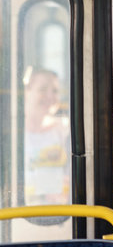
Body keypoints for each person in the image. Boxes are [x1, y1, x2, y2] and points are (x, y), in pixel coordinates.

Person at [24, 68, 71, 206]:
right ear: (27, 92)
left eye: (55, 91)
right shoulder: (14, 132)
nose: (50, 96)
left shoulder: (65, 129)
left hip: (58, 208)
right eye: (43, 89)